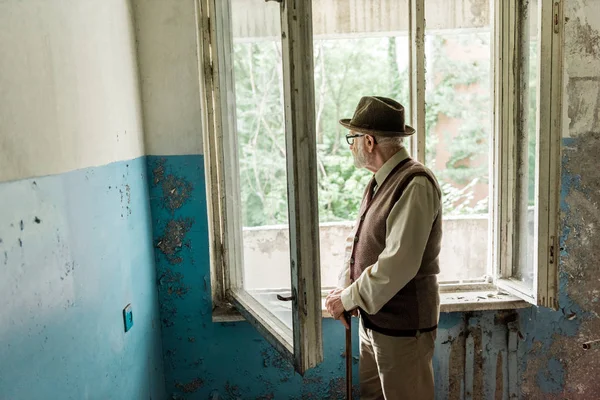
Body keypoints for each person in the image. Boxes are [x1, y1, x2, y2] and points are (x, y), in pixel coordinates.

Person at [325, 96, 442, 400]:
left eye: (353, 139)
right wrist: (344, 291)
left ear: (368, 141)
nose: (351, 146)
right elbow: (360, 244)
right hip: (374, 321)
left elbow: (398, 263)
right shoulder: (379, 182)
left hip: (403, 328)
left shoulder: (415, 183)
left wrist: (349, 298)